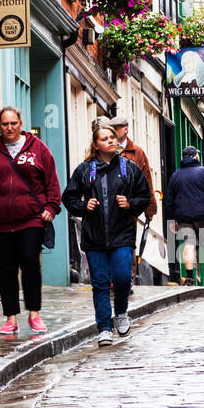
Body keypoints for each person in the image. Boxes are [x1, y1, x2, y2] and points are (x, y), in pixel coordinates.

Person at [64, 123, 152, 345]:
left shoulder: (129, 168)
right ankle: (104, 327)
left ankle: (121, 312)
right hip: (94, 237)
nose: (111, 141)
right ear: (96, 145)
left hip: (122, 234)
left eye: (112, 137)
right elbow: (69, 198)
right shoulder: (85, 170)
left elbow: (145, 195)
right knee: (101, 283)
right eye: (105, 139)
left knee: (122, 277)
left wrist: (130, 203)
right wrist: (84, 206)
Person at [0, 106, 61, 335]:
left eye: (13, 123)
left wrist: (51, 207)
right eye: (5, 124)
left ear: (21, 124)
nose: (9, 128)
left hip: (31, 218)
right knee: (6, 268)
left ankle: (34, 314)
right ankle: (11, 318)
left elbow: (52, 180)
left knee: (30, 263)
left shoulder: (38, 149)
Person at [165, 146, 204, 285]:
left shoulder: (175, 175)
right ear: (196, 156)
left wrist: (171, 220)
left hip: (183, 217)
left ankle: (189, 277)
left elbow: (169, 200)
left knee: (188, 244)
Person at [107, 115, 157, 219]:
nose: (113, 132)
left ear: (125, 130)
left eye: (116, 128)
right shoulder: (106, 150)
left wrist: (150, 209)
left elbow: (146, 179)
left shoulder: (137, 152)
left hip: (129, 208)